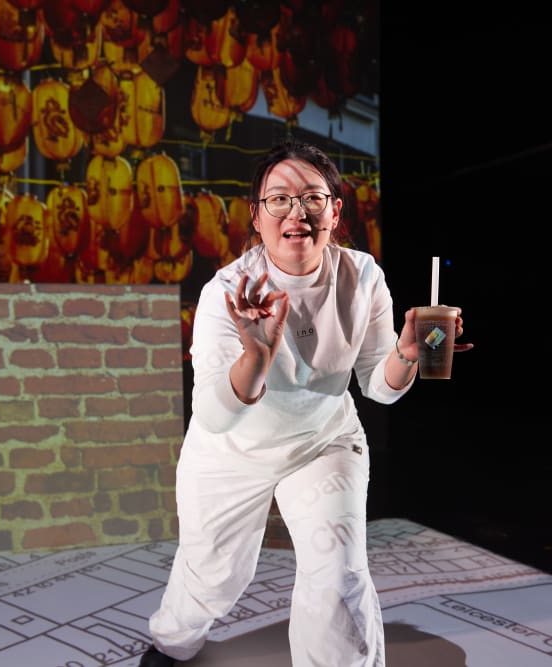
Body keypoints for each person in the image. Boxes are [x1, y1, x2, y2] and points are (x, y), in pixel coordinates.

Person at [140, 140, 471, 666]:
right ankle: (171, 644)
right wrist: (259, 352)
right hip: (232, 451)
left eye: (313, 198)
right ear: (257, 215)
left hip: (323, 440)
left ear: (335, 212)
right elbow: (215, 414)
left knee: (337, 572)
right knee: (213, 574)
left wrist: (408, 353)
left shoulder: (362, 276)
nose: (297, 213)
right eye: (279, 200)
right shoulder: (226, 290)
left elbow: (379, 387)